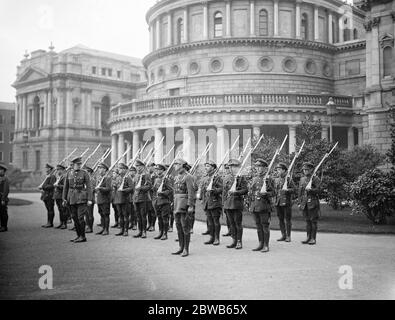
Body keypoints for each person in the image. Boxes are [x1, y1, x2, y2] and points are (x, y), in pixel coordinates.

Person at [62, 157, 92, 243]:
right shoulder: (69, 173)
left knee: (80, 218)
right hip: (71, 198)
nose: (79, 166)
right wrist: (64, 198)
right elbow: (65, 187)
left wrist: (90, 199)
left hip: (81, 198)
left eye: (80, 164)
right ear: (73, 165)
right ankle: (78, 235)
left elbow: (89, 187)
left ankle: (83, 236)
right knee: (74, 218)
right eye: (77, 164)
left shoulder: (84, 173)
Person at [172, 159, 196, 257]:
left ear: (182, 165)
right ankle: (180, 247)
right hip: (177, 204)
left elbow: (191, 192)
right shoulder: (177, 177)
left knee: (185, 227)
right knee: (178, 227)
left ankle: (186, 249)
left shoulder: (188, 177)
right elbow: (175, 192)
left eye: (177, 164)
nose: (175, 166)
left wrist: (190, 205)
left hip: (184, 205)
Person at [249, 159, 274, 253]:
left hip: (264, 205)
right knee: (258, 226)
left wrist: (266, 193)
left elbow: (273, 192)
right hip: (255, 204)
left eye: (260, 167)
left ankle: (266, 245)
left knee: (265, 226)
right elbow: (251, 192)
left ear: (264, 168)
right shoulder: (255, 178)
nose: (257, 168)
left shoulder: (268, 179)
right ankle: (260, 243)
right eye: (257, 167)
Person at [223, 159, 248, 250]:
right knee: (231, 223)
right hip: (228, 203)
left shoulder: (241, 177)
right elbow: (224, 191)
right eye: (230, 166)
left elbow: (245, 190)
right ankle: (233, 240)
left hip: (236, 203)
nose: (231, 168)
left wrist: (237, 192)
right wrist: (223, 203)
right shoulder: (226, 178)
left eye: (234, 166)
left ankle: (239, 241)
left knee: (238, 223)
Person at [200, 160, 223, 246]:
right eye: (205, 166)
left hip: (215, 201)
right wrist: (201, 197)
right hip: (207, 202)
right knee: (209, 221)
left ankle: (217, 238)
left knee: (215, 221)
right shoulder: (206, 177)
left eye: (208, 166)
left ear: (213, 168)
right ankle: (211, 237)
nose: (206, 168)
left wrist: (214, 190)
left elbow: (221, 189)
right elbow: (203, 189)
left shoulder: (217, 177)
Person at [298, 162, 321, 245]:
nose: (305, 171)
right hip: (304, 203)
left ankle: (313, 238)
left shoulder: (315, 179)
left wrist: (311, 190)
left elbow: (319, 191)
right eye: (304, 170)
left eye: (307, 169)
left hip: (312, 202)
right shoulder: (302, 179)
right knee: (307, 221)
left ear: (311, 170)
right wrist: (299, 202)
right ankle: (308, 237)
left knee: (313, 221)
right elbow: (300, 192)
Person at [274, 162, 295, 242]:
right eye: (277, 169)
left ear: (284, 170)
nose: (278, 171)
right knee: (280, 219)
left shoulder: (288, 179)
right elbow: (275, 190)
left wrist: (288, 190)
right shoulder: (276, 179)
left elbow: (294, 189)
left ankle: (288, 236)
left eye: (279, 169)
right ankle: (283, 235)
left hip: (286, 202)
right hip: (278, 202)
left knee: (287, 219)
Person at [152, 164, 173, 240]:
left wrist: (163, 193)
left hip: (164, 201)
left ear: (162, 170)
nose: (157, 171)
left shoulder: (166, 179)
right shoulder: (156, 179)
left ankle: (165, 234)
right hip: (157, 201)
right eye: (156, 170)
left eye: (158, 170)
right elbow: (154, 190)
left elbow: (171, 190)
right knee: (159, 218)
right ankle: (160, 232)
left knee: (165, 218)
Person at [133, 160, 152, 239]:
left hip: (143, 198)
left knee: (143, 215)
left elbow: (149, 186)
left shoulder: (146, 175)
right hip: (136, 198)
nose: (138, 168)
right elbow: (134, 186)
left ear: (143, 166)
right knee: (138, 216)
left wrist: (141, 188)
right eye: (136, 166)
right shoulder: (136, 175)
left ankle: (144, 232)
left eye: (139, 166)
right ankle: (140, 231)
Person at [113, 163, 134, 237]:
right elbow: (115, 188)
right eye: (119, 168)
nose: (120, 170)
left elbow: (131, 188)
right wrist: (115, 186)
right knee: (120, 215)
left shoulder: (128, 178)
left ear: (125, 170)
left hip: (125, 199)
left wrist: (124, 190)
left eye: (121, 168)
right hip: (118, 199)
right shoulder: (118, 178)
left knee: (125, 215)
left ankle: (126, 230)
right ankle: (121, 229)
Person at [95, 162, 112, 236]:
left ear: (105, 169)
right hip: (100, 199)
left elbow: (108, 188)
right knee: (101, 214)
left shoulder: (107, 178)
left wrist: (100, 188)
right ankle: (103, 228)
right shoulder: (99, 178)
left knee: (106, 214)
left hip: (105, 199)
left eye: (101, 168)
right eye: (99, 168)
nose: (99, 170)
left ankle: (106, 229)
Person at [40, 164, 56, 228]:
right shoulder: (48, 176)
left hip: (50, 195)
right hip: (46, 195)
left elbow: (52, 186)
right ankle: (48, 222)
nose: (45, 169)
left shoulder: (52, 176)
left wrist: (43, 187)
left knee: (50, 209)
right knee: (48, 209)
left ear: (49, 169)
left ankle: (50, 223)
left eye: (46, 168)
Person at [53, 164, 68, 229]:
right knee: (60, 210)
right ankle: (61, 223)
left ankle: (64, 223)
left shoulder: (64, 177)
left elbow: (65, 187)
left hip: (62, 195)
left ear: (62, 170)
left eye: (59, 170)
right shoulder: (59, 177)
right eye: (57, 170)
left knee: (63, 210)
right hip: (57, 195)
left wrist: (58, 186)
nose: (58, 171)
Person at [83, 165, 95, 233]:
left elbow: (92, 190)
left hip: (90, 198)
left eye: (87, 172)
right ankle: (87, 226)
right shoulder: (85, 180)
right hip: (85, 199)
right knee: (86, 214)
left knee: (90, 214)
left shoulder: (91, 180)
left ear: (90, 173)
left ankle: (90, 227)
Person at [222, 164, 232, 237]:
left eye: (227, 169)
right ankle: (229, 230)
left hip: (231, 199)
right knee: (227, 217)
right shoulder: (224, 177)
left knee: (232, 217)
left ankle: (232, 231)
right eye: (225, 169)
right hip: (225, 200)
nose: (226, 170)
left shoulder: (232, 177)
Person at [147, 162, 157, 232]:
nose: (149, 168)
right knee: (148, 211)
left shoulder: (155, 176)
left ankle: (152, 225)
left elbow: (155, 186)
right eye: (148, 167)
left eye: (151, 166)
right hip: (148, 195)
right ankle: (149, 224)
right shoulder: (148, 175)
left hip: (153, 195)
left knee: (153, 211)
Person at [0, 163, 10, 232]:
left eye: (0, 170)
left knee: (3, 213)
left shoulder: (6, 179)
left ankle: (4, 226)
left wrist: (3, 199)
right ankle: (2, 226)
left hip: (2, 198)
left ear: (4, 171)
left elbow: (6, 190)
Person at [127, 166, 137, 230]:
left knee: (135, 211)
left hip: (135, 196)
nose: (131, 172)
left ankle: (135, 224)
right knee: (130, 211)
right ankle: (131, 223)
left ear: (135, 172)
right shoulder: (128, 178)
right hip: (129, 197)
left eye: (132, 171)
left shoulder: (136, 178)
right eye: (130, 171)